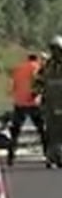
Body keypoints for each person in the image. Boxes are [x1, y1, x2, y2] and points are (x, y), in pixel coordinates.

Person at [6, 53, 47, 166]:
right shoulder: (37, 68)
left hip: (19, 102)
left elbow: (12, 86)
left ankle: (10, 156)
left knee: (15, 131)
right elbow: (40, 84)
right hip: (33, 103)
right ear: (37, 59)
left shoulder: (18, 69)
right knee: (42, 130)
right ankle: (48, 155)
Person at [34, 36, 62, 167]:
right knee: (51, 131)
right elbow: (39, 81)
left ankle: (59, 155)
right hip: (50, 103)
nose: (55, 52)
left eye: (57, 49)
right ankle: (51, 156)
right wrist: (36, 92)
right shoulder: (48, 65)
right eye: (53, 49)